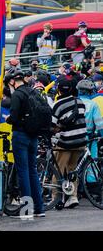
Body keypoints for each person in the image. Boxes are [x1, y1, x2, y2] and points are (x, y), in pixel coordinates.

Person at [5, 70, 45, 218]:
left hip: (20, 135)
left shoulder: (17, 94)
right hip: (34, 135)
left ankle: (27, 210)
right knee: (33, 171)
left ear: (12, 81)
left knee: (23, 172)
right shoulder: (33, 92)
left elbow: (14, 116)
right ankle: (39, 208)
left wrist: (9, 118)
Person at [51, 79, 88, 209]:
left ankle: (56, 198)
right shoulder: (80, 102)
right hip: (81, 141)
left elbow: (53, 126)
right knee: (72, 170)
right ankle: (73, 196)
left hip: (66, 143)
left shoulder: (58, 105)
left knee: (59, 170)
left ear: (59, 89)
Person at [77, 79, 103, 159]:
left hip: (74, 137)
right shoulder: (93, 104)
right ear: (91, 92)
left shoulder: (73, 102)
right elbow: (99, 124)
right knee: (91, 163)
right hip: (89, 138)